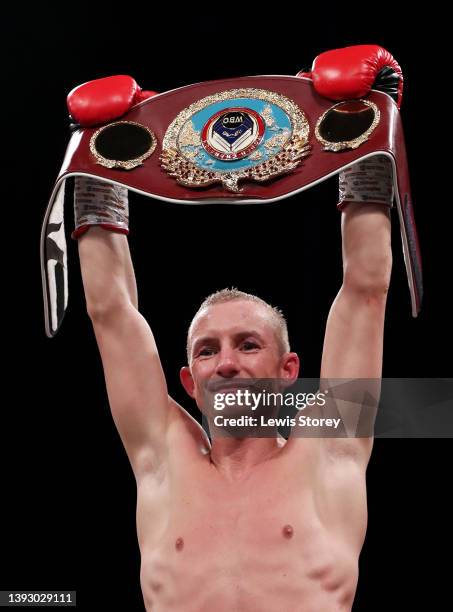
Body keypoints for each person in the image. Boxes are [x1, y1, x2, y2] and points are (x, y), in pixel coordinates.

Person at [74, 151, 393, 611]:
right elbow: (110, 314)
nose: (226, 363)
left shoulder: (328, 453)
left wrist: (364, 136)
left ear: (288, 372)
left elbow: (366, 289)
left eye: (247, 345)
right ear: (189, 382)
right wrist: (98, 165)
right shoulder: (162, 459)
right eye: (208, 350)